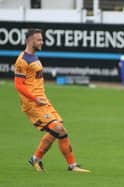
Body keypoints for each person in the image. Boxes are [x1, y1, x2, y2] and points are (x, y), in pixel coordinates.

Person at [14, 29, 90, 172]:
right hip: (32, 103)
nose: (42, 42)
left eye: (42, 39)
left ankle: (71, 165)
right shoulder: (22, 60)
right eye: (39, 40)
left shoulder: (34, 57)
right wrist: (35, 98)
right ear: (30, 40)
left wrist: (40, 98)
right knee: (56, 128)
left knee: (61, 130)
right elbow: (18, 85)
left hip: (42, 101)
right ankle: (36, 158)